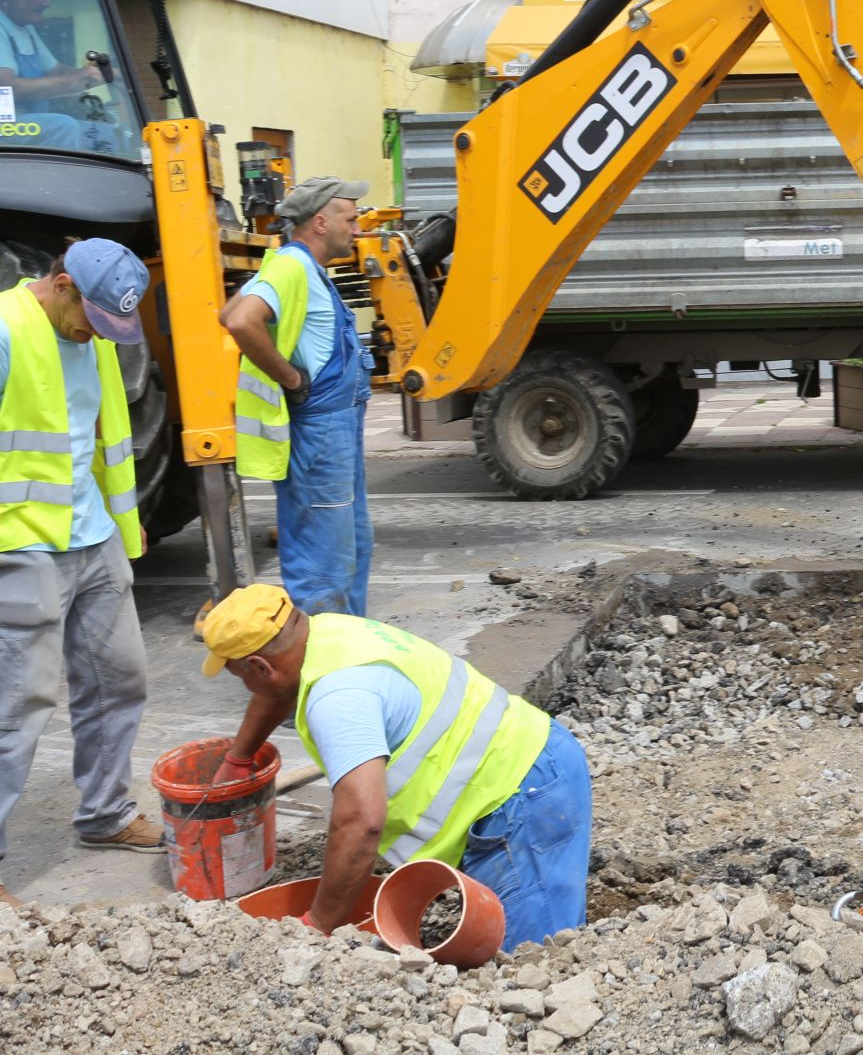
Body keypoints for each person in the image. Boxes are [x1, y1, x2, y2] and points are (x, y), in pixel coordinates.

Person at [201, 584, 592, 949]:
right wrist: (240, 757)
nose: (247, 687)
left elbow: (361, 821)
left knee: (535, 957)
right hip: (527, 761)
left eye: (242, 677)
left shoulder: (340, 698)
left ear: (260, 666)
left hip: (522, 797)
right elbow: (278, 686)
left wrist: (319, 925)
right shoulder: (327, 635)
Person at [0, 239, 164, 906]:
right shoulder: (7, 330)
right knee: (18, 704)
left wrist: (126, 522)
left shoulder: (92, 336)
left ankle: (106, 813)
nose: (97, 333)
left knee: (119, 677)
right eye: (92, 317)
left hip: (93, 533)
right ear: (63, 283)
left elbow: (104, 438)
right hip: (20, 541)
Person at [222, 178, 374, 616]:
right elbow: (240, 322)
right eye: (350, 219)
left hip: (337, 429)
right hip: (322, 434)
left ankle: (352, 643)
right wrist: (291, 378)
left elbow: (228, 311)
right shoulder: (292, 266)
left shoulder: (298, 266)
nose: (357, 229)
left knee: (353, 545)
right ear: (321, 222)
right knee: (324, 563)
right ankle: (324, 651)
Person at [0, 0, 108, 153]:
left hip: (25, 122)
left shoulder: (26, 28)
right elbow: (6, 88)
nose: (46, 2)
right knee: (63, 127)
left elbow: (56, 71)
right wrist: (72, 81)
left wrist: (104, 74)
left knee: (103, 131)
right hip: (4, 126)